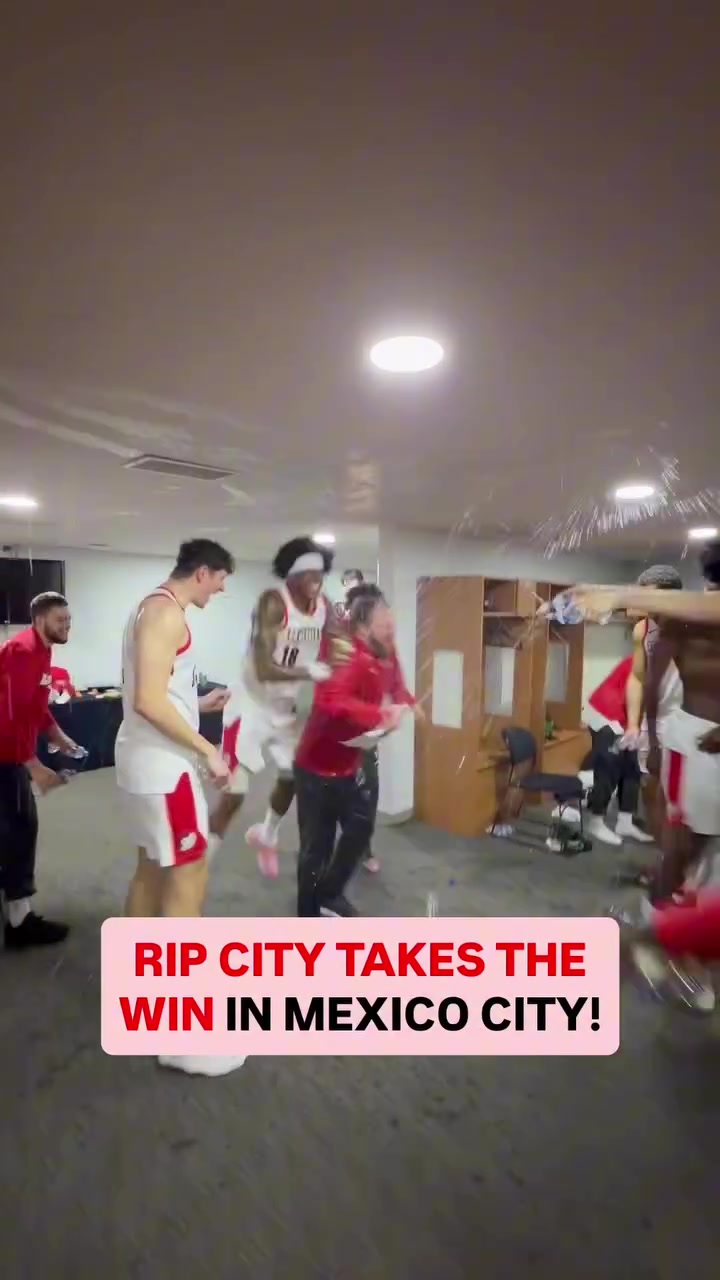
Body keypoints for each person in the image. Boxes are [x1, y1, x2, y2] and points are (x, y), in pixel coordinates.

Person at [115, 538, 242, 1076]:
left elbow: (161, 690)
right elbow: (148, 700)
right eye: (221, 580)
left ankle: (137, 991)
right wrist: (207, 748)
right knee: (188, 881)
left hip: (145, 764)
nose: (221, 590)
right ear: (203, 572)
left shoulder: (152, 607)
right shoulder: (166, 612)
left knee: (151, 870)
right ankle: (180, 1034)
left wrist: (198, 704)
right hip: (163, 772)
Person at [210, 536, 339, 877]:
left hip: (285, 709)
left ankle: (266, 834)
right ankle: (201, 860)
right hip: (250, 705)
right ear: (290, 574)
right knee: (235, 794)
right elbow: (265, 667)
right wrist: (309, 671)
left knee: (292, 776)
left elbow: (341, 645)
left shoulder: (324, 607)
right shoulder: (273, 603)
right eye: (307, 572)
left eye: (319, 572)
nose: (315, 579)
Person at [293, 591, 417, 917]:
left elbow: (396, 683)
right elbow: (330, 702)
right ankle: (308, 915)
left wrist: (407, 702)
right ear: (363, 627)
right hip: (316, 766)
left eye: (392, 622)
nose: (391, 630)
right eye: (384, 624)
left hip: (350, 762)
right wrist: (378, 715)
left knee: (360, 827)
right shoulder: (345, 654)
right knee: (316, 848)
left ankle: (329, 895)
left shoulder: (385, 650)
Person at [0, 591, 83, 948]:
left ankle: (15, 910)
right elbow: (9, 715)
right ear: (39, 619)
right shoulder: (21, 651)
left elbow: (35, 705)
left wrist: (58, 736)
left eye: (68, 620)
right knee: (20, 829)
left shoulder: (43, 651)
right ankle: (19, 924)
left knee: (14, 827)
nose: (66, 626)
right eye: (60, 620)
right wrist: (33, 764)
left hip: (10, 752)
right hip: (4, 754)